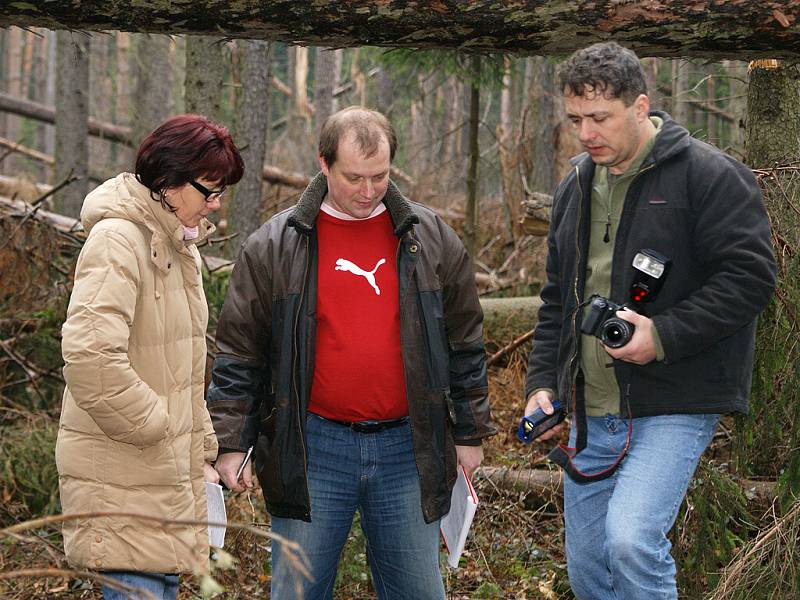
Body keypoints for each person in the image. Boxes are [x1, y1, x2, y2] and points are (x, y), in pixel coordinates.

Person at [207, 105, 496, 599]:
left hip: (409, 447)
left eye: (380, 177)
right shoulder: (277, 245)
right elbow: (239, 353)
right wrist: (232, 442)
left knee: (420, 592)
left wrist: (469, 432)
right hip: (313, 447)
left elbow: (465, 342)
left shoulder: (429, 239)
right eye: (354, 178)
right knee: (296, 592)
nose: (367, 191)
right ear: (323, 164)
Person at [521, 42, 776, 600]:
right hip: (591, 407)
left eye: (600, 118)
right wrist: (543, 385)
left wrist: (660, 335)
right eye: (575, 119)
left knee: (631, 540)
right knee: (589, 566)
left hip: (673, 401)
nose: (586, 133)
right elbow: (556, 301)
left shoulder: (709, 176)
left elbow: (751, 278)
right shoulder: (575, 185)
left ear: (640, 107)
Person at [56, 114, 244, 600]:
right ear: (168, 180)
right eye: (209, 191)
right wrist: (158, 427)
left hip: (159, 486)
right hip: (122, 487)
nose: (216, 205)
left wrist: (199, 448)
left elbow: (180, 369)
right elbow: (90, 357)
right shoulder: (118, 240)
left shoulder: (177, 247)